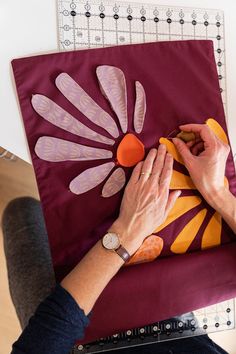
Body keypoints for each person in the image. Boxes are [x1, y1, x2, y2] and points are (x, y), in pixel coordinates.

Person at [2, 123, 236, 354]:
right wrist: (217, 192)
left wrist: (126, 232)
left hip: (82, 332)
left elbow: (45, 338)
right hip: (170, 315)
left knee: (21, 212)